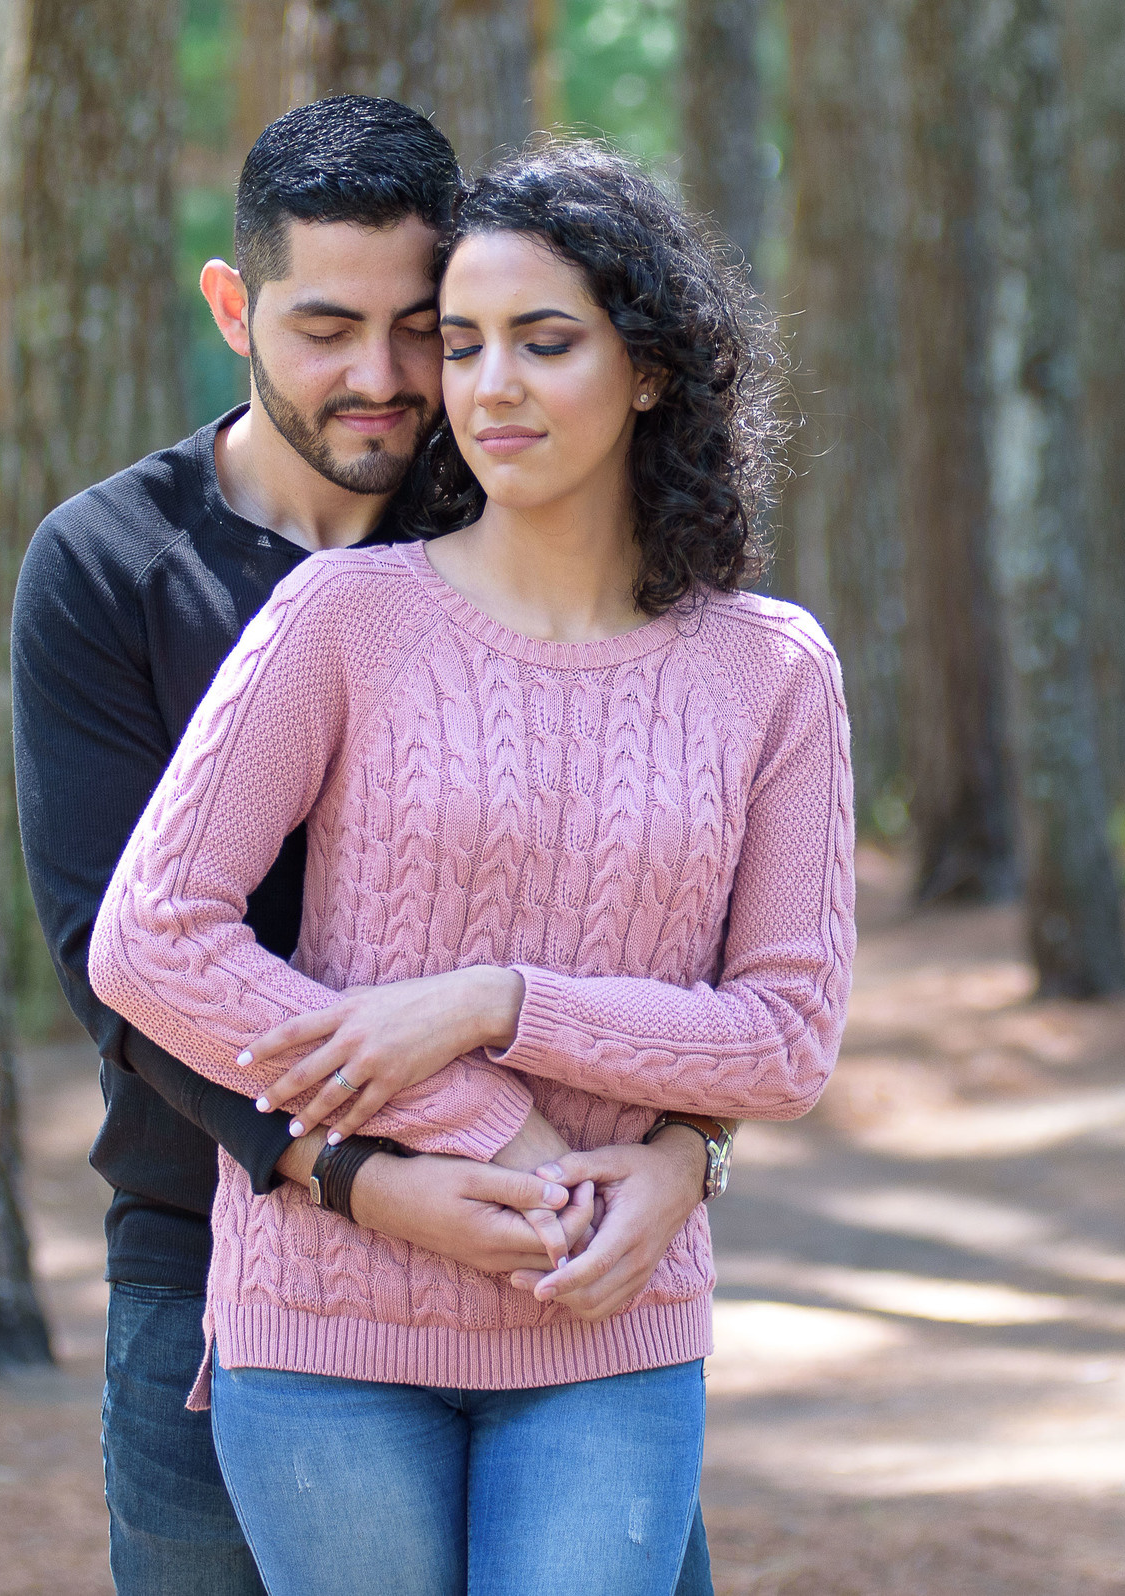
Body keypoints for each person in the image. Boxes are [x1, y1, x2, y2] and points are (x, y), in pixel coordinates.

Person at [86, 140, 855, 1596]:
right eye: (464, 344)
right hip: (326, 1322)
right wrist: (487, 1130)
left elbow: (788, 1034)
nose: (490, 385)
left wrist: (496, 1004)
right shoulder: (343, 617)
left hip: (601, 1310)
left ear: (648, 370)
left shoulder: (771, 671)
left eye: (544, 342)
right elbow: (151, 937)